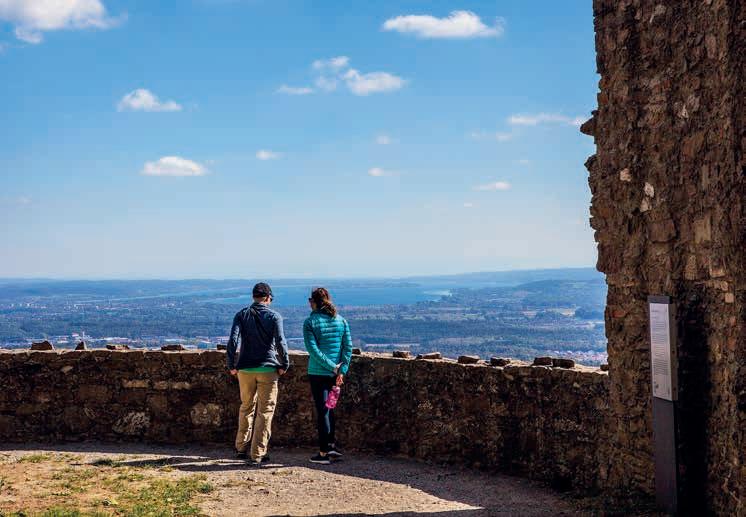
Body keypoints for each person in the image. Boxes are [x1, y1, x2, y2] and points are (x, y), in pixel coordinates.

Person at [226, 282, 290, 467]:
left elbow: (233, 340)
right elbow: (280, 341)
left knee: (246, 407)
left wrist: (231, 364)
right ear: (268, 298)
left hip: (245, 369)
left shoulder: (241, 314)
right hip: (268, 369)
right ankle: (257, 453)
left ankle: (241, 448)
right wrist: (284, 363)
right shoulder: (274, 316)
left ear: (254, 297)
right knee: (265, 411)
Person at [303, 287, 352, 465]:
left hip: (318, 373)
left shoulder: (310, 322)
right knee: (330, 408)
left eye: (310, 300)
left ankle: (323, 453)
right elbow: (347, 348)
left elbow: (313, 351)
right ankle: (331, 445)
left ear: (313, 302)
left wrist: (332, 367)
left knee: (323, 411)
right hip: (335, 375)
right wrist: (341, 370)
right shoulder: (341, 321)